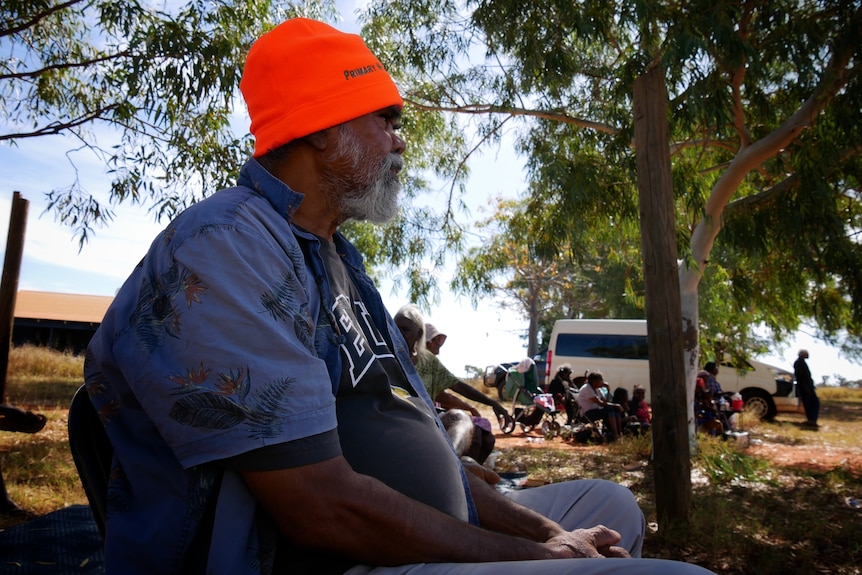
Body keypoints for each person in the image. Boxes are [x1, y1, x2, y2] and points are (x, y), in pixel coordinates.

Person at [83, 18, 715, 575]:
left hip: (416, 531)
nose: (401, 140)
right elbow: (319, 508)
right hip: (339, 557)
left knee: (609, 506)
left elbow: (419, 441)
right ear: (320, 131)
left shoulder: (337, 259)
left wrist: (550, 533)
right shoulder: (225, 248)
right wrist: (534, 554)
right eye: (386, 119)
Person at [393, 304, 509, 464]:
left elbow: (458, 385)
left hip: (428, 421)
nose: (397, 334)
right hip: (398, 421)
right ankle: (454, 469)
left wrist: (491, 403)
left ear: (418, 334)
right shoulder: (386, 357)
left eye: (405, 330)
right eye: (395, 328)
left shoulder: (428, 361)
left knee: (467, 424)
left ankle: (453, 466)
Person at [576, 372, 625, 441]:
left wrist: (608, 390)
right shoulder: (587, 389)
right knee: (611, 409)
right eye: (601, 380)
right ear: (594, 381)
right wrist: (616, 405)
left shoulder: (597, 389)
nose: (603, 382)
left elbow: (606, 402)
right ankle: (615, 434)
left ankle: (619, 433)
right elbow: (600, 403)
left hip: (597, 411)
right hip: (587, 413)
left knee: (614, 410)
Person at [794, 349, 820, 428]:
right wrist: (806, 388)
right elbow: (801, 377)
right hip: (805, 387)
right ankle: (811, 420)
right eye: (806, 354)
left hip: (808, 386)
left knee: (811, 403)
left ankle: (812, 420)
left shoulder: (802, 362)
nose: (808, 355)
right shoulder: (799, 363)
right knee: (813, 403)